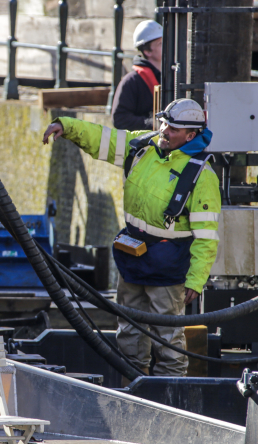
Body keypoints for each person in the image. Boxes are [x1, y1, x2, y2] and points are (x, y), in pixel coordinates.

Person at [42, 99, 220, 377]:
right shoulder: (143, 147)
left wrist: (196, 281)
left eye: (172, 129)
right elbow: (105, 139)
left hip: (167, 270)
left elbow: (207, 239)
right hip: (133, 259)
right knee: (128, 332)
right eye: (163, 124)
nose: (164, 131)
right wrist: (66, 125)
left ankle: (168, 398)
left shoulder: (201, 175)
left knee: (168, 341)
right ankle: (132, 387)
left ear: (190, 136)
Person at [111, 20, 163, 131]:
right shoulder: (131, 81)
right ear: (147, 51)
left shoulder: (171, 76)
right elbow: (119, 118)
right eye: (161, 44)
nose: (167, 47)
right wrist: (154, 124)